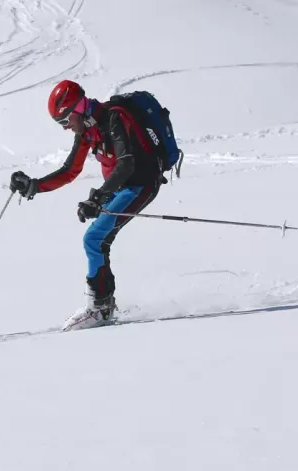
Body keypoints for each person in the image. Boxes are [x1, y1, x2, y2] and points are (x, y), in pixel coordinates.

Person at [9, 80, 175, 331]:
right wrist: (34, 185)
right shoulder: (87, 130)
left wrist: (98, 197)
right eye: (61, 124)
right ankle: (103, 305)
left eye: (65, 120)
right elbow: (70, 170)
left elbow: (127, 163)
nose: (66, 128)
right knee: (98, 239)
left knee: (94, 238)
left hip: (140, 184)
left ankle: (99, 308)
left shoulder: (113, 119)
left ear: (77, 108)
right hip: (121, 187)